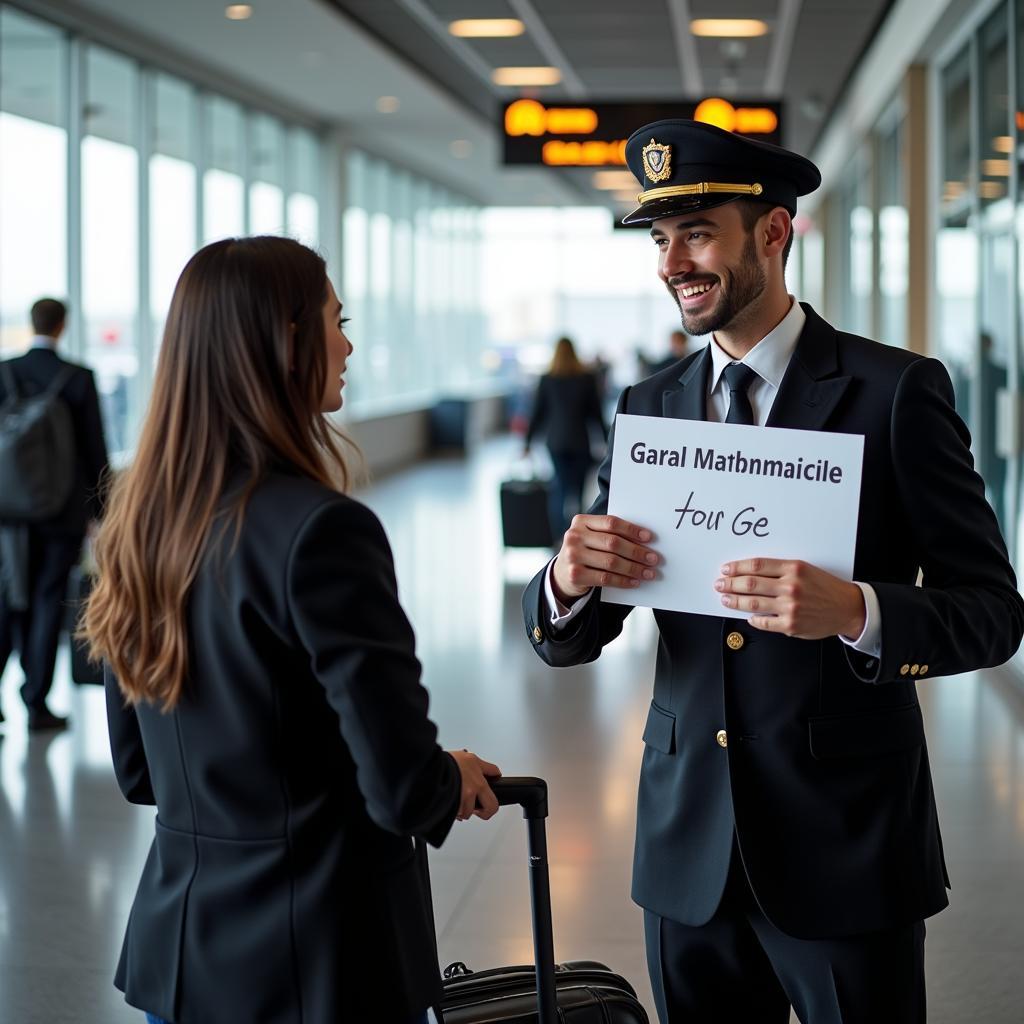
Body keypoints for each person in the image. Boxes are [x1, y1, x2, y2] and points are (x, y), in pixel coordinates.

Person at [522, 119, 1024, 1024]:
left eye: (699, 231)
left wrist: (861, 610)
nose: (675, 261)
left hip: (847, 845)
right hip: (686, 849)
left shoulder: (894, 392)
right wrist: (565, 582)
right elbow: (576, 636)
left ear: (774, 232)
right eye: (662, 238)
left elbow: (993, 612)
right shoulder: (651, 405)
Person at [81, 237, 501, 1024]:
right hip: (315, 968)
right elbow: (403, 788)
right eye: (335, 322)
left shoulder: (138, 527)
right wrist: (448, 777)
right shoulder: (322, 531)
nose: (347, 344)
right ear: (287, 339)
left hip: (179, 961)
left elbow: (140, 772)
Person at [0, 298, 108, 732]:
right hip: (61, 512)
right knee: (48, 600)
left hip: (7, 512)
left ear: (32, 323)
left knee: (6, 599)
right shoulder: (77, 379)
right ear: (62, 325)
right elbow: (94, 450)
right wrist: (99, 512)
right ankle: (37, 702)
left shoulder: (4, 371)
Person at [524, 336, 607, 538]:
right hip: (580, 441)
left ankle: (557, 537)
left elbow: (538, 413)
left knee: (559, 489)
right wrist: (608, 441)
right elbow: (596, 414)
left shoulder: (548, 379)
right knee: (576, 491)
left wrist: (527, 442)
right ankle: (575, 537)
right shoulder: (586, 378)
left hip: (556, 442)